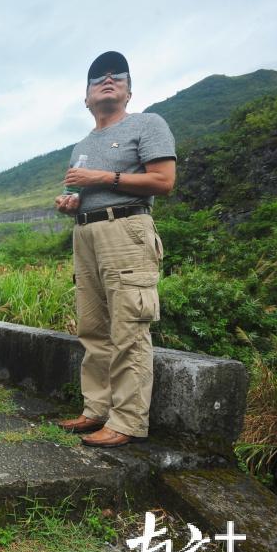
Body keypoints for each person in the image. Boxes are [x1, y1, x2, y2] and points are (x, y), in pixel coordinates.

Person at [55, 51, 176, 448]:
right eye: (97, 79)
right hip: (86, 232)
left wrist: (102, 176)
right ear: (86, 99)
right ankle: (96, 409)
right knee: (93, 327)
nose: (107, 80)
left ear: (128, 90)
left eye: (117, 76)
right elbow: (82, 190)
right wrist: (72, 201)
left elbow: (163, 181)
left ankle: (126, 421)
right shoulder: (82, 145)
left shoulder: (148, 124)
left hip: (127, 230)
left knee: (129, 327)